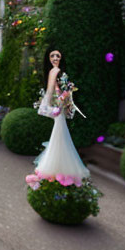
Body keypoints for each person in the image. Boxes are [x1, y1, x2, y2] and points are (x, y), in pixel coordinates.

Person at [33, 48, 90, 181]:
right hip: (58, 106)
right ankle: (57, 165)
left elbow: (55, 90)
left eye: (57, 56)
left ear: (61, 58)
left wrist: (65, 96)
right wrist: (51, 103)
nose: (55, 58)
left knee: (60, 133)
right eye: (52, 56)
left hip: (60, 106)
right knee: (60, 134)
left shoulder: (57, 72)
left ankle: (58, 165)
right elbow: (51, 90)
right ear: (49, 58)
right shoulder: (54, 71)